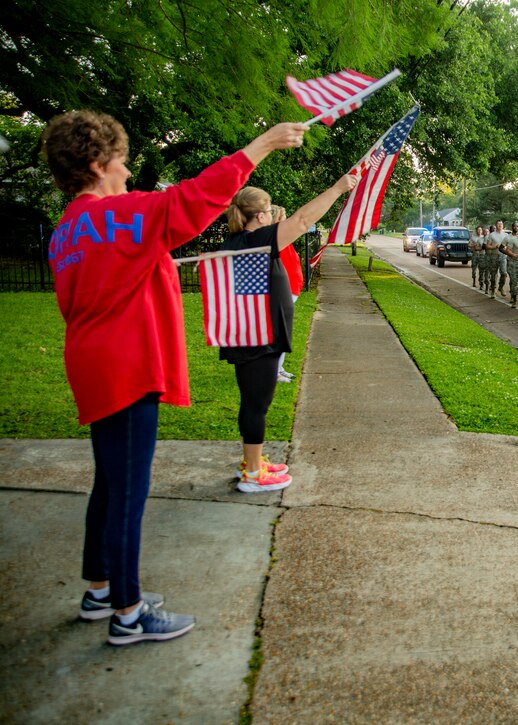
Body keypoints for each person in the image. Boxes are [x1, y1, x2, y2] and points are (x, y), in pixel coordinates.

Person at [42, 109, 306, 645]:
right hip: (127, 368)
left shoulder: (66, 230)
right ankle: (128, 613)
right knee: (128, 493)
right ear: (97, 164)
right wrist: (262, 145)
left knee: (108, 483)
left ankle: (100, 591)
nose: (127, 168)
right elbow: (192, 200)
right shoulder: (117, 215)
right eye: (120, 159)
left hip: (91, 363)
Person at [221, 173, 358, 495]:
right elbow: (302, 219)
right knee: (257, 405)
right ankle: (253, 473)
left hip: (256, 335)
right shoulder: (255, 240)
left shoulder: (245, 241)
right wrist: (338, 188)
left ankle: (252, 461)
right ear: (261, 216)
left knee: (254, 402)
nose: (272, 217)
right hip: (257, 338)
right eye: (269, 212)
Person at [272, 205, 304, 383]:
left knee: (283, 331)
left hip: (291, 288)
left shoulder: (280, 235)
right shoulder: (276, 236)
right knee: (279, 332)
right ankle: (273, 371)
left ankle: (279, 367)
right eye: (283, 217)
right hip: (284, 289)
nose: (286, 220)